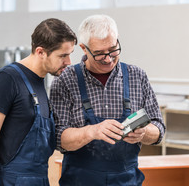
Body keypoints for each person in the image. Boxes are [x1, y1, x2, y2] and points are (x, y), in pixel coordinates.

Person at [50, 14, 166, 185]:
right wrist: (92, 131)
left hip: (127, 180)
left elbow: (159, 130)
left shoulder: (137, 76)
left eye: (113, 50)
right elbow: (58, 138)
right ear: (84, 48)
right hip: (79, 180)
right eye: (99, 53)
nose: (108, 58)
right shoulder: (65, 80)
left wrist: (144, 132)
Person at [0, 18, 77, 186]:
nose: (68, 62)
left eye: (70, 55)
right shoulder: (6, 80)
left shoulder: (39, 83)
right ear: (40, 52)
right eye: (63, 56)